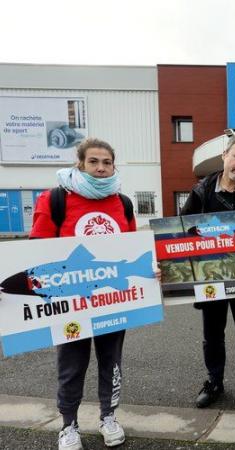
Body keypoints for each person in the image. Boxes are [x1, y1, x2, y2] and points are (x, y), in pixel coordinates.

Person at [30, 138, 145, 450]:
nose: (100, 168)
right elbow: (36, 253)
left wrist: (148, 272)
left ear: (113, 165)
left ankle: (108, 416)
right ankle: (69, 425)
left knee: (112, 362)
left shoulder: (122, 203)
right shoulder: (54, 199)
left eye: (106, 162)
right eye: (93, 161)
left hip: (112, 301)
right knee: (71, 366)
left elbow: (131, 249)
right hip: (71, 304)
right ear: (79, 162)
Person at [180, 133, 235, 408]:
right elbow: (181, 232)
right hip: (211, 279)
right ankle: (214, 381)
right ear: (224, 156)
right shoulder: (200, 192)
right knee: (213, 336)